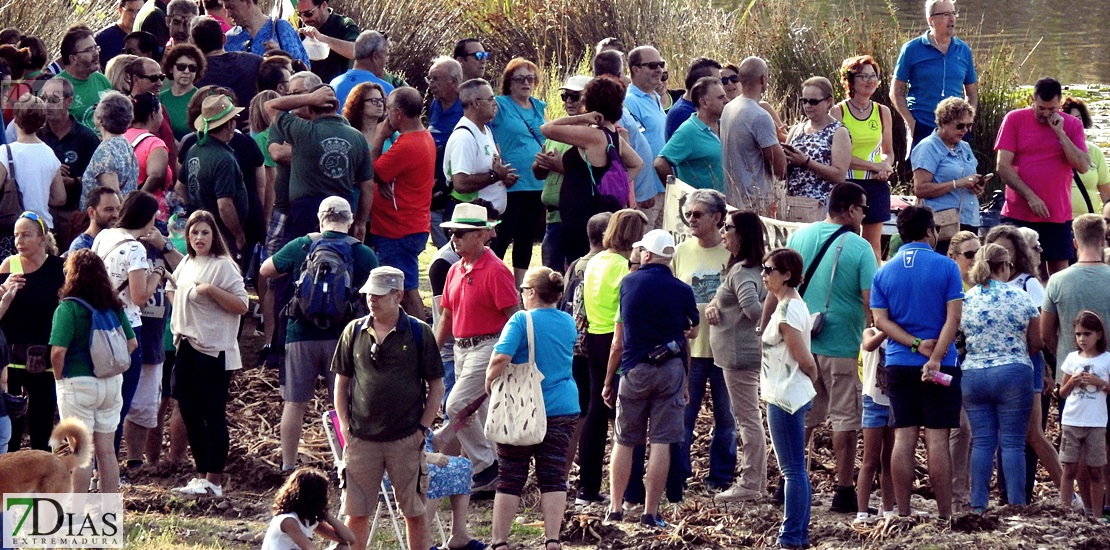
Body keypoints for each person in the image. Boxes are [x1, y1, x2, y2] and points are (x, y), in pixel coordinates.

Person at [259, 196, 377, 472]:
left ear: (321, 218)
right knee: (343, 405)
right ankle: (348, 463)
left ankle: (288, 465)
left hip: (299, 334)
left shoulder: (301, 245)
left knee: (294, 403)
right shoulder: (362, 252)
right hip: (343, 338)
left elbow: (266, 271)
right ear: (349, 220)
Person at [780, 182, 876, 513]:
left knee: (804, 415)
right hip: (842, 345)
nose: (865, 214)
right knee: (844, 419)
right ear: (850, 210)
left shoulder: (798, 238)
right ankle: (844, 489)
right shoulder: (860, 247)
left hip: (802, 343)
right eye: (863, 208)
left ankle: (788, 480)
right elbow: (870, 302)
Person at [332, 266, 444, 550]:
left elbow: (436, 386)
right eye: (369, 293)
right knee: (356, 512)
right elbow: (341, 384)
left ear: (398, 295)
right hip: (361, 439)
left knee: (414, 512)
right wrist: (345, 426)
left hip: (405, 438)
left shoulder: (419, 333)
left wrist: (421, 430)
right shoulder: (353, 331)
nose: (372, 299)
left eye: (379, 294)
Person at [870, 205, 964, 520]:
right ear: (929, 231)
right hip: (941, 365)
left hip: (899, 362)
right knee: (936, 439)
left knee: (904, 436)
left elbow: (880, 321)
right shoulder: (947, 267)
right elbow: (954, 319)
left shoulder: (884, 271)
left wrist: (912, 344)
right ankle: (944, 516)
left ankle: (904, 513)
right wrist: (935, 357)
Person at [603, 229, 699, 528]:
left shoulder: (628, 283)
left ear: (646, 254)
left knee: (624, 440)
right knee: (661, 442)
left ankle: (616, 507)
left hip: (634, 368)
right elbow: (692, 331)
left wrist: (609, 379)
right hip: (670, 369)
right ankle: (650, 511)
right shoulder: (682, 289)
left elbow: (618, 341)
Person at [485, 266, 579, 550]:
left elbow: (501, 357)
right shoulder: (567, 321)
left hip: (523, 407)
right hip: (563, 405)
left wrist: (489, 380)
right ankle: (552, 539)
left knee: (511, 474)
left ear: (532, 293)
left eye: (523, 290)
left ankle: (500, 540)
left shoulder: (520, 320)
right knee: (553, 475)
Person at [435, 203, 519, 493]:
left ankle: (486, 465)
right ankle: (493, 475)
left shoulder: (496, 271)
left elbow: (514, 316)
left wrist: (511, 353)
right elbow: (447, 314)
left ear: (482, 235)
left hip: (489, 345)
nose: (454, 239)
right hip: (461, 347)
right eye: (452, 233)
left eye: (461, 233)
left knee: (456, 405)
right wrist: (433, 352)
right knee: (475, 414)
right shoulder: (455, 269)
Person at [168, 210, 248, 497]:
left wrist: (211, 291)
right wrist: (184, 309)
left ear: (214, 235)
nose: (199, 238)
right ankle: (201, 475)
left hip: (214, 350)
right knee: (189, 411)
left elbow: (242, 304)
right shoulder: (187, 263)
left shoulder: (223, 266)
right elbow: (171, 287)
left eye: (204, 232)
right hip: (186, 345)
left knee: (212, 413)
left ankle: (215, 478)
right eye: (194, 232)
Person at [49, 249, 138, 495]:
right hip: (111, 383)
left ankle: (78, 512)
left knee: (81, 452)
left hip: (78, 383)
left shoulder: (67, 309)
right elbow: (132, 344)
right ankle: (108, 510)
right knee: (107, 451)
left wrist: (60, 380)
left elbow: (58, 352)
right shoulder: (113, 306)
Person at [959, 243, 1040, 511]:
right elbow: (1036, 341)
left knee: (982, 441)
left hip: (973, 374)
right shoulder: (1020, 297)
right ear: (1005, 266)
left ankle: (978, 505)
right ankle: (1016, 505)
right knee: (1013, 443)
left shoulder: (966, 300)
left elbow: (957, 337)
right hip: (1013, 373)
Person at [574, 209, 646, 506]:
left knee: (595, 412)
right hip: (620, 340)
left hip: (595, 339)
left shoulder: (595, 261)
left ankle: (587, 488)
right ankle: (630, 490)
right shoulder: (623, 267)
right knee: (628, 416)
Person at [984, 224, 1062, 500]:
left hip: (1027, 363)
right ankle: (1010, 495)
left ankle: (1069, 494)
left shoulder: (1028, 283)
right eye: (999, 249)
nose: (1005, 255)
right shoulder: (986, 285)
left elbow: (1041, 332)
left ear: (1018, 252)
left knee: (1033, 434)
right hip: (996, 367)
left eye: (1009, 249)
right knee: (1004, 435)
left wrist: (1044, 367)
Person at [91, 191, 170, 455]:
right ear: (147, 218)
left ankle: (94, 469)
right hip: (127, 329)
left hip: (97, 323)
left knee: (102, 402)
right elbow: (139, 297)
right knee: (118, 407)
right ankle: (108, 468)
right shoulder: (135, 248)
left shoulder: (104, 236)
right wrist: (157, 273)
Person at [670, 190, 734, 494]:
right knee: (683, 416)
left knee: (726, 419)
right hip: (690, 352)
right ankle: (678, 477)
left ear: (717, 218)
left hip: (726, 351)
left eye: (697, 214)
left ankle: (720, 478)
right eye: (688, 214)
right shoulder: (680, 252)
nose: (690, 219)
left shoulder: (733, 252)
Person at [540, 76, 642, 263]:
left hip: (581, 212)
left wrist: (581, 117)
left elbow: (546, 128)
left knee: (579, 263)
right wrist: (613, 183)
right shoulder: (612, 134)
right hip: (599, 207)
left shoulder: (592, 135)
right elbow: (637, 163)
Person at [996, 77, 1090, 275]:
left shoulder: (1072, 125)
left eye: (1052, 109)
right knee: (1014, 270)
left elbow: (1082, 166)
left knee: (1059, 272)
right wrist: (1031, 197)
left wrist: (1061, 134)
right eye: (1041, 108)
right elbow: (1003, 166)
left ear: (1059, 103)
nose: (1046, 114)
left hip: (1056, 213)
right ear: (1032, 99)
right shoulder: (1014, 119)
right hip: (1018, 211)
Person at [758, 247, 816, 548]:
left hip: (785, 396)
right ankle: (798, 534)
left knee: (792, 470)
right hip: (786, 392)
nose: (764, 274)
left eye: (769, 269)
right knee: (796, 470)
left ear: (787, 275)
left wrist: (811, 374)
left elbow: (804, 358)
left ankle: (791, 535)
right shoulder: (790, 304)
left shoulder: (787, 310)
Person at [708, 210, 767, 503]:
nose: (722, 231)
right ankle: (756, 480)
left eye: (727, 227)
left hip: (739, 356)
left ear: (742, 234)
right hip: (735, 354)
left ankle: (751, 482)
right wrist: (714, 307)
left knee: (748, 420)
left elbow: (755, 310)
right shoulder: (745, 269)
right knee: (748, 418)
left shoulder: (744, 271)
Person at [264, 84, 373, 241]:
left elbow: (270, 105)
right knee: (337, 257)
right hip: (342, 209)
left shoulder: (302, 130)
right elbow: (367, 184)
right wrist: (361, 223)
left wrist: (309, 98)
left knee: (300, 258)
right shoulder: (357, 137)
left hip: (306, 210)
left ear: (309, 109)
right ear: (336, 106)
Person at [0, 212, 64, 452]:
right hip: (14, 357)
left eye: (26, 235)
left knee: (42, 425)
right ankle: (10, 486)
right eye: (16, 235)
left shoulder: (59, 267)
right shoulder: (9, 265)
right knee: (13, 429)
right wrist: (3, 289)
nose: (19, 241)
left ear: (41, 238)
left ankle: (40, 487)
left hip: (46, 356)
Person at [368, 87, 433, 320]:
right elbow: (381, 173)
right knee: (403, 285)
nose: (385, 116)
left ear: (397, 113)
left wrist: (379, 137)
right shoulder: (422, 137)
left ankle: (422, 338)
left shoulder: (407, 144)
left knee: (404, 288)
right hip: (408, 225)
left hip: (398, 229)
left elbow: (368, 169)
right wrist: (383, 179)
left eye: (388, 110)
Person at [890, 0, 978, 149]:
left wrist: (967, 122)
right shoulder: (911, 49)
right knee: (923, 172)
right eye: (945, 14)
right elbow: (895, 92)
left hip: (956, 129)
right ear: (931, 20)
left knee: (959, 172)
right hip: (922, 125)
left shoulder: (963, 50)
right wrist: (910, 123)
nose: (952, 19)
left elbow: (972, 94)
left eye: (953, 13)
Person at [490, 58, 546, 284]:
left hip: (537, 182)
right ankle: (492, 280)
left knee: (526, 238)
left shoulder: (539, 106)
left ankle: (520, 286)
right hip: (511, 183)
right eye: (520, 78)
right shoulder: (500, 105)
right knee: (502, 236)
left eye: (530, 78)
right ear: (509, 83)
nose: (526, 83)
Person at [833, 55, 894, 260]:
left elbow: (888, 151)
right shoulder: (839, 111)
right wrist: (874, 166)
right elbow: (840, 156)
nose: (870, 81)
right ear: (851, 80)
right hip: (848, 184)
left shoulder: (882, 111)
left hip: (875, 185)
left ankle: (874, 289)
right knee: (845, 241)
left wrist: (885, 166)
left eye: (873, 76)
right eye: (863, 76)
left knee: (872, 246)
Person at [1042, 215, 1110, 386]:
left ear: (1075, 243)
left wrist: (1067, 355)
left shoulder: (1057, 281)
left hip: (1070, 376)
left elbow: (1046, 334)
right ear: (1103, 241)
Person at [911, 97, 984, 255]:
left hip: (969, 219)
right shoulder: (927, 147)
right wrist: (957, 183)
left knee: (968, 273)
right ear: (943, 122)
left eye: (968, 125)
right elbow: (921, 189)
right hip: (943, 224)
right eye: (960, 125)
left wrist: (977, 187)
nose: (964, 130)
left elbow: (966, 181)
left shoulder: (964, 147)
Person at [38, 76, 102, 248]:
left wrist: (72, 182)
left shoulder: (86, 137)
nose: (46, 105)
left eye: (53, 100)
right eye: (43, 99)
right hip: (42, 215)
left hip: (74, 216)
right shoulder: (37, 136)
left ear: (68, 102)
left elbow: (97, 181)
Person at [182, 94, 248, 258]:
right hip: (221, 235)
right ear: (229, 124)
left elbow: (179, 186)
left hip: (199, 231)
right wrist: (238, 235)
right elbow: (224, 205)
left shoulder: (194, 149)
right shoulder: (224, 158)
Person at [534, 74, 589, 271]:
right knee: (550, 277)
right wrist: (541, 164)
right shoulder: (557, 130)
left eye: (574, 96)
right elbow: (539, 174)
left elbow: (595, 175)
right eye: (565, 96)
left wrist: (561, 166)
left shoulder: (593, 133)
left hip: (576, 219)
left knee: (576, 275)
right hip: (553, 218)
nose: (568, 101)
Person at [1058, 310, 1110, 515]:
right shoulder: (1072, 359)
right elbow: (1062, 392)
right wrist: (1072, 381)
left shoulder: (1106, 359)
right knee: (1069, 467)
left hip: (1096, 422)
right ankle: (1065, 512)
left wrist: (1100, 383)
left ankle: (1096, 515)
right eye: (1078, 334)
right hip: (1072, 420)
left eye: (1087, 334)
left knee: (1096, 469)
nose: (1082, 339)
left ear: (1098, 334)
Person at [443, 78, 518, 215]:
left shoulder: (485, 131)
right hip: (469, 220)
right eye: (490, 99)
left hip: (485, 219)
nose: (495, 103)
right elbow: (461, 184)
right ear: (476, 103)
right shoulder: (464, 137)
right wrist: (495, 175)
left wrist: (503, 178)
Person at [720, 56, 786, 210]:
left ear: (740, 78)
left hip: (732, 198)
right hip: (755, 201)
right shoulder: (760, 115)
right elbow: (780, 169)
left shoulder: (729, 108)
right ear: (763, 79)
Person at [782, 76, 850, 219]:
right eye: (804, 101)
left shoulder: (838, 132)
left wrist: (806, 162)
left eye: (813, 102)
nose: (807, 106)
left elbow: (839, 175)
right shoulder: (797, 129)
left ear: (828, 102)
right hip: (791, 204)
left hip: (820, 208)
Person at [0, 94, 65, 238]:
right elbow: (60, 198)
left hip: (15, 230)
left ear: (15, 119)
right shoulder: (50, 154)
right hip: (43, 228)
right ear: (42, 122)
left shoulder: (5, 152)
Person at [656, 76, 727, 193]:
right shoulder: (689, 130)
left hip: (725, 205)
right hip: (703, 206)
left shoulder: (723, 124)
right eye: (720, 98)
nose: (726, 101)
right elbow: (660, 163)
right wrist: (677, 194)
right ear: (704, 103)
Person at [854, 327, 895, 521]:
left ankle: (888, 509)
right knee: (870, 459)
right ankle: (861, 512)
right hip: (873, 401)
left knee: (888, 461)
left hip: (894, 403)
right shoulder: (869, 332)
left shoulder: (899, 336)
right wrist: (888, 329)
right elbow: (869, 345)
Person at [261, 468, 357, 550]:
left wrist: (327, 515)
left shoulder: (309, 519)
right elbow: (309, 548)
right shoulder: (288, 520)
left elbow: (349, 540)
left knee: (343, 548)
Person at [624, 46, 667, 227]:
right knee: (643, 249)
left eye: (661, 64)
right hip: (647, 194)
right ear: (636, 69)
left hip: (664, 188)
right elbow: (634, 148)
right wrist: (645, 190)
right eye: (652, 65)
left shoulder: (655, 97)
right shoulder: (629, 101)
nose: (659, 70)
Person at [426, 57, 464, 248]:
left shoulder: (468, 106)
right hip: (434, 186)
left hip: (459, 189)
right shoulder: (435, 105)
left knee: (456, 245)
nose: (431, 84)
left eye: (436, 79)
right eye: (430, 79)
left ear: (454, 82)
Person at [79, 91, 139, 209]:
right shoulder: (125, 144)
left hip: (105, 219)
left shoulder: (106, 151)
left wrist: (124, 217)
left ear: (100, 120)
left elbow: (113, 192)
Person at [191, 16, 262, 109]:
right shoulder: (254, 61)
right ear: (224, 38)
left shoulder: (193, 72)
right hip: (250, 121)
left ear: (195, 45)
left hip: (211, 121)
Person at [1062, 97, 1110, 218]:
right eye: (1070, 118)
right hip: (1060, 222)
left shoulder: (1095, 152)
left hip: (1090, 223)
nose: (1075, 122)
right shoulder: (1051, 151)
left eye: (1078, 118)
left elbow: (1106, 193)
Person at [58, 26, 114, 129]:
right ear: (73, 58)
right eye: (89, 50)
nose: (96, 53)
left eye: (96, 48)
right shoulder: (55, 87)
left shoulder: (102, 80)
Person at [222, 0, 308, 65]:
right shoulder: (229, 38)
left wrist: (281, 57)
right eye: (226, 9)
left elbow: (304, 70)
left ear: (248, 2)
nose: (228, 14)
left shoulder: (281, 28)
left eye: (232, 7)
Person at [124, 93, 172, 208]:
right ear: (153, 114)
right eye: (161, 113)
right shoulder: (155, 144)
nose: (162, 118)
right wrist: (134, 204)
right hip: (150, 212)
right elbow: (156, 176)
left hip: (121, 203)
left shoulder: (121, 137)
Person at [295, 0, 360, 85]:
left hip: (336, 90)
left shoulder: (343, 24)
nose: (304, 19)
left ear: (323, 5)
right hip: (308, 90)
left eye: (308, 14)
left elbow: (356, 51)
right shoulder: (302, 27)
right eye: (300, 15)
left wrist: (322, 38)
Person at [330, 31, 394, 111]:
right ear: (375, 57)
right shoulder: (386, 89)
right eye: (386, 55)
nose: (387, 60)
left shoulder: (334, 84)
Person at [664, 57, 720, 140]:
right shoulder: (682, 114)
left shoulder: (696, 107)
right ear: (701, 84)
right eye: (716, 81)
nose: (721, 85)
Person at [160, 43, 205, 140]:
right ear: (171, 68)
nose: (187, 71)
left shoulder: (200, 99)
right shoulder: (160, 98)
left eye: (192, 68)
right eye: (181, 67)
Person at [68, 186, 121, 254]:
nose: (116, 215)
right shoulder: (81, 248)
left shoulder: (121, 241)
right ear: (91, 212)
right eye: (109, 209)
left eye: (118, 209)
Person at [95, 0, 145, 69]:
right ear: (120, 10)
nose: (134, 16)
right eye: (130, 11)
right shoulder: (103, 38)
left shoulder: (145, 35)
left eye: (139, 11)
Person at [341, 82, 385, 146]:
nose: (380, 104)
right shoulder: (348, 133)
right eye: (374, 100)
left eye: (381, 100)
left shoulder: (389, 133)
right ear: (359, 103)